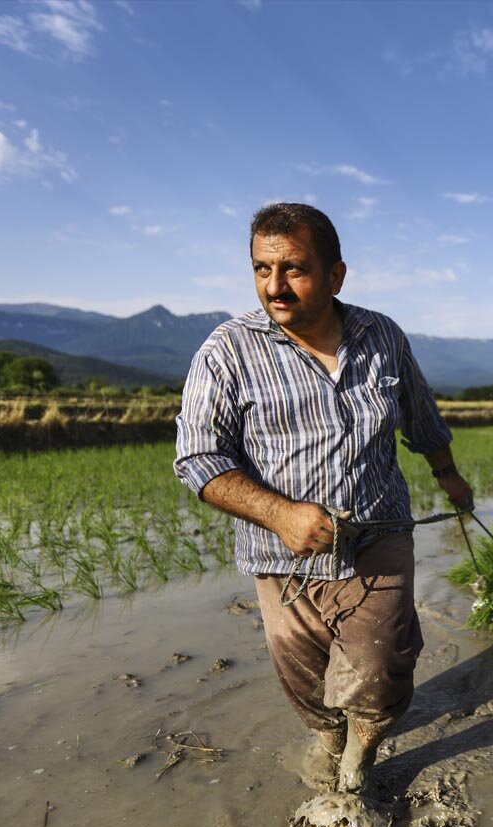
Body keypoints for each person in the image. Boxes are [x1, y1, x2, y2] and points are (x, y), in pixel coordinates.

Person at [174, 203, 473, 796]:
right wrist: (280, 513)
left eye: (294, 269)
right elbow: (199, 459)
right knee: (304, 679)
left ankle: (361, 751)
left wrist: (449, 475)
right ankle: (328, 737)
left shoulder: (380, 334)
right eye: (262, 269)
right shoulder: (226, 351)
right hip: (281, 556)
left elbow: (420, 415)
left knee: (380, 665)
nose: (275, 287)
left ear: (336, 275)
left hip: (378, 533)